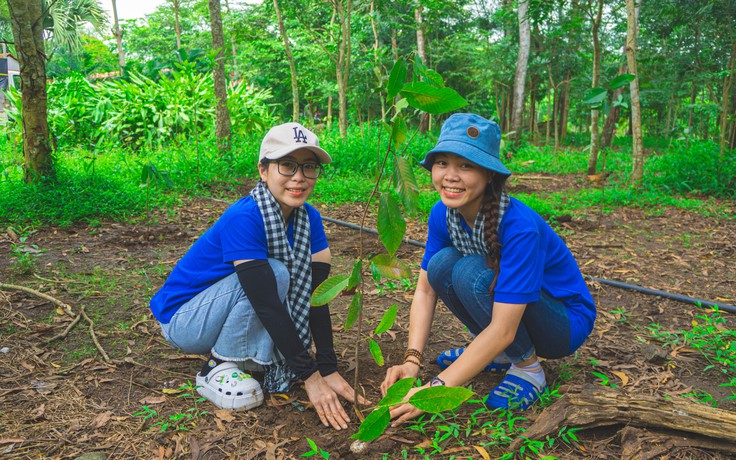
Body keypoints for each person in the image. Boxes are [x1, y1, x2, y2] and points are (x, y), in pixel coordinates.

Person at [380, 113, 596, 424]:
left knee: (470, 273)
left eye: (466, 165)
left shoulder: (519, 226)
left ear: (489, 174)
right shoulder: (443, 213)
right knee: (442, 266)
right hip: (515, 310)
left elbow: (504, 328)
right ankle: (500, 355)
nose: (450, 175)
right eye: (442, 163)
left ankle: (528, 368)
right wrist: (412, 361)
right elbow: (426, 290)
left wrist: (435, 390)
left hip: (563, 323)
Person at [150, 122, 366, 431]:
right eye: (287, 165)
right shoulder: (245, 216)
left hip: (224, 312)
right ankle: (217, 367)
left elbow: (316, 297)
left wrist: (327, 367)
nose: (299, 177)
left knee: (275, 276)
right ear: (263, 171)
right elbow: (265, 302)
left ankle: (246, 359)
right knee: (275, 273)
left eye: (309, 167)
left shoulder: (310, 219)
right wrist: (310, 375)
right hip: (184, 321)